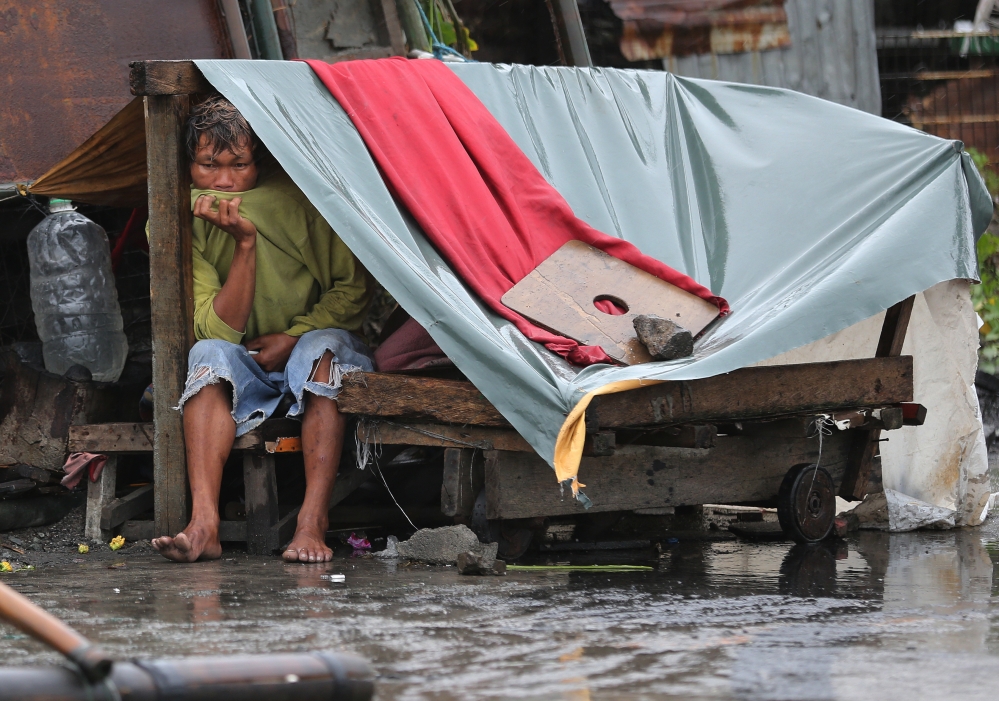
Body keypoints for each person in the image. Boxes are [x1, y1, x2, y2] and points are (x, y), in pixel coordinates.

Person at [151, 96, 373, 563]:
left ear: (261, 162)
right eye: (209, 166)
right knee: (207, 353)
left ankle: (312, 523)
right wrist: (244, 245)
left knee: (322, 348)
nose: (225, 181)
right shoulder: (177, 218)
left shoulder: (300, 203)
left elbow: (352, 293)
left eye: (240, 166)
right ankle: (204, 523)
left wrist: (293, 338)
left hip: (307, 349)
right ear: (188, 164)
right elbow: (217, 328)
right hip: (244, 362)